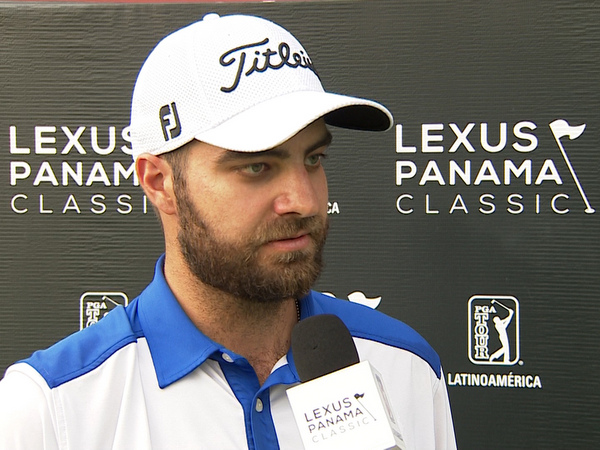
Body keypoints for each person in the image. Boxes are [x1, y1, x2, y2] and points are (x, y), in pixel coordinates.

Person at [0, 13, 456, 450]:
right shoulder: (52, 410)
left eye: (313, 159)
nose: (303, 200)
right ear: (159, 183)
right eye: (257, 166)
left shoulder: (405, 367)